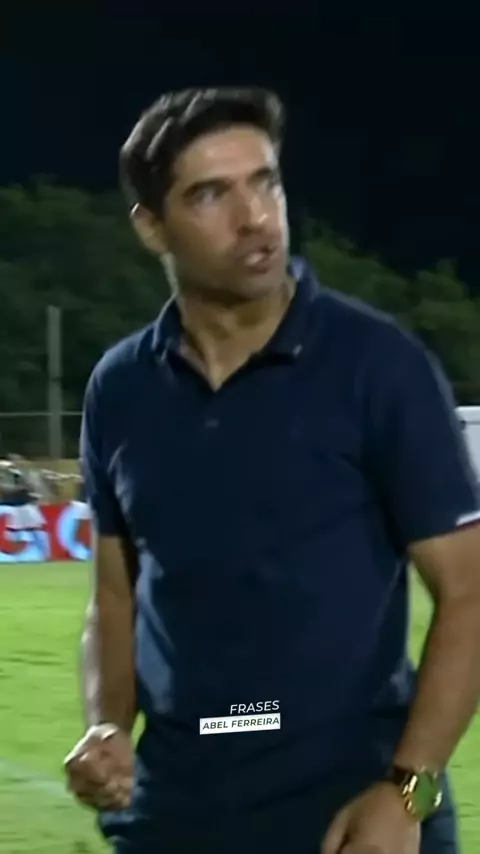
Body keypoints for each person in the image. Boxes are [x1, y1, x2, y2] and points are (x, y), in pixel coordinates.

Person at [64, 87, 480, 854]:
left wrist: (409, 793)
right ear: (151, 227)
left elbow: (470, 594)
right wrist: (107, 725)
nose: (255, 216)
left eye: (266, 183)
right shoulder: (119, 389)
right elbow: (115, 596)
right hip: (174, 816)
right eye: (211, 195)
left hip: (353, 813)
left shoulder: (379, 367)